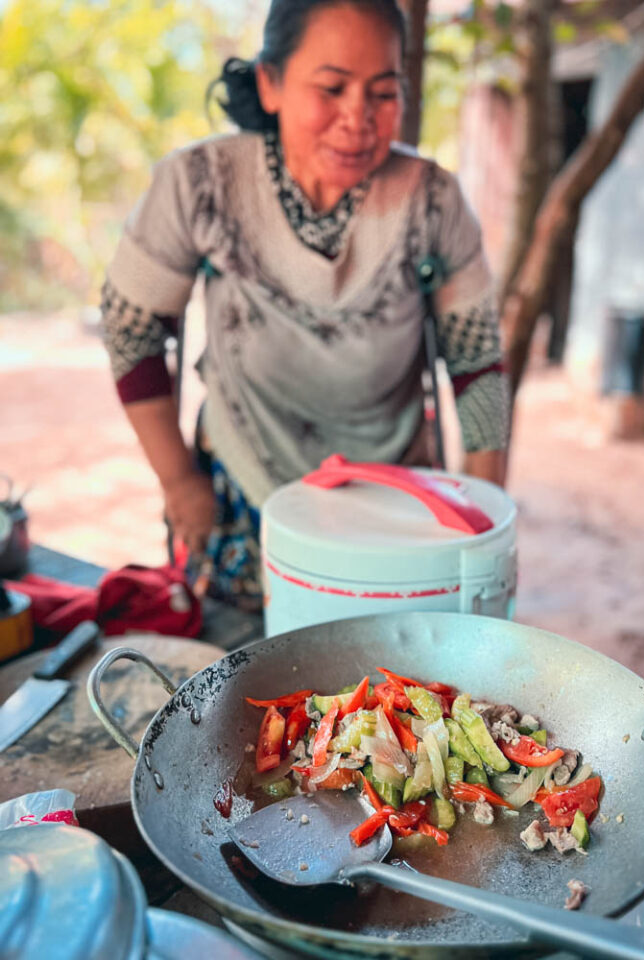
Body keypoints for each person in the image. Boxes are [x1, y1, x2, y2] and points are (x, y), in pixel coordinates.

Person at [100, 0, 510, 609]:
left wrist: (480, 510)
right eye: (332, 88)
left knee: (389, 673)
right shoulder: (200, 184)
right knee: (252, 678)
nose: (358, 119)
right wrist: (179, 481)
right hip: (242, 485)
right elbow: (131, 330)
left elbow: (477, 362)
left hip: (396, 497)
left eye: (382, 92)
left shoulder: (434, 202)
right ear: (270, 83)